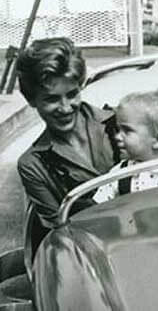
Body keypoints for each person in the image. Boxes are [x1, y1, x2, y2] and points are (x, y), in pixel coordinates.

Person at [17, 37, 118, 229]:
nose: (65, 108)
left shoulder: (121, 122)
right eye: (51, 99)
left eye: (72, 94)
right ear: (32, 100)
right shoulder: (34, 164)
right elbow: (60, 233)